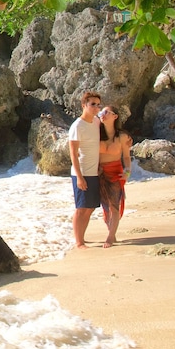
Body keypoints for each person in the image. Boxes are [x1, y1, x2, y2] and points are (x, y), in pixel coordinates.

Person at [69, 91, 102, 249]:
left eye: (97, 104)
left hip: (94, 172)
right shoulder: (77, 126)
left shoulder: (96, 122)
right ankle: (79, 242)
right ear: (84, 105)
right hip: (81, 172)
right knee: (81, 208)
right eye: (92, 104)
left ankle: (82, 237)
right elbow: (73, 154)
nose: (96, 107)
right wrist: (80, 177)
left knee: (90, 208)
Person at [97, 105, 132, 248]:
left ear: (115, 116)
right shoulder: (96, 134)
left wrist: (127, 173)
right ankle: (112, 232)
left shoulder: (122, 137)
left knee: (115, 205)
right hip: (99, 172)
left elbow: (127, 158)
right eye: (101, 112)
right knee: (105, 206)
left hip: (116, 172)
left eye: (106, 112)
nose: (102, 115)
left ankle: (110, 237)